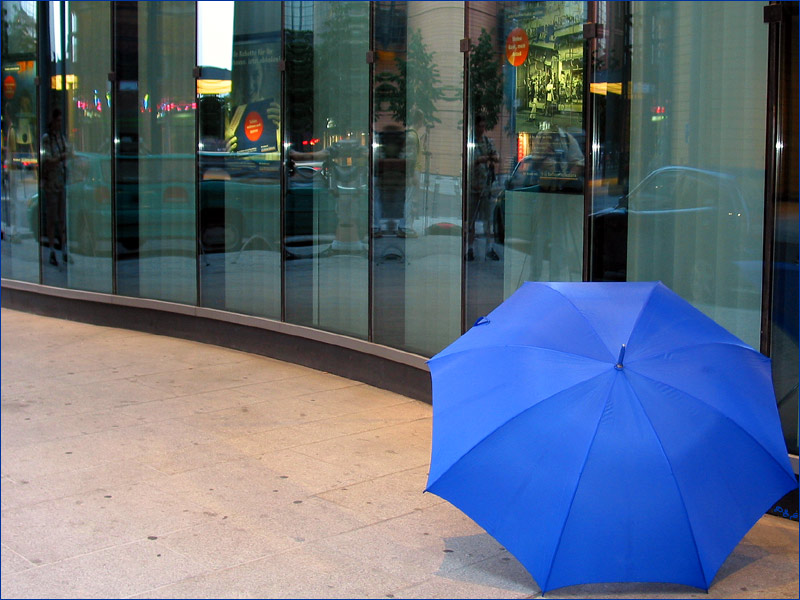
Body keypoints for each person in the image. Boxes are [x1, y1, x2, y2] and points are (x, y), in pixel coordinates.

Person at [41, 108, 71, 266]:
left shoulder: (60, 137)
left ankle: (64, 249)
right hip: (52, 184)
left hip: (61, 182)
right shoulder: (47, 139)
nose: (59, 124)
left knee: (62, 218)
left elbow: (68, 150)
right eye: (57, 120)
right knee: (52, 218)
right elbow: (47, 159)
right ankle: (52, 250)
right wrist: (61, 157)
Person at [467, 114, 499, 261]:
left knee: (487, 220)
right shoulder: (470, 142)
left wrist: (489, 158)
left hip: (485, 188)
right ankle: (470, 249)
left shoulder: (487, 141)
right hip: (472, 187)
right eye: (480, 126)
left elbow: (496, 157)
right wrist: (482, 159)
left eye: (484, 126)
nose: (482, 129)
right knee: (471, 221)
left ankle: (489, 248)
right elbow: (469, 161)